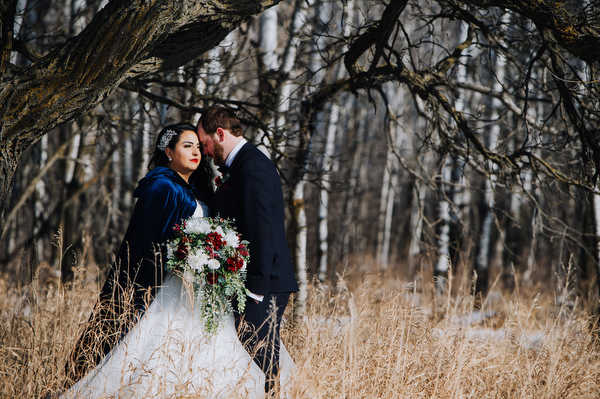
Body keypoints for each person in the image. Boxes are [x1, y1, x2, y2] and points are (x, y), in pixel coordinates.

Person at [60, 123, 278, 398]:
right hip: (170, 290)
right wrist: (186, 255)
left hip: (204, 291)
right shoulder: (163, 187)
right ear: (168, 152)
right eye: (187, 146)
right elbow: (148, 246)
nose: (196, 152)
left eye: (199, 147)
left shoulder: (199, 189)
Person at [196, 105, 300, 396]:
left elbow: (263, 232)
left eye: (205, 144)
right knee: (253, 362)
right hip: (256, 284)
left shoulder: (252, 166)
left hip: (263, 286)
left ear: (220, 134)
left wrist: (254, 289)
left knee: (263, 364)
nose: (205, 151)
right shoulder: (242, 165)